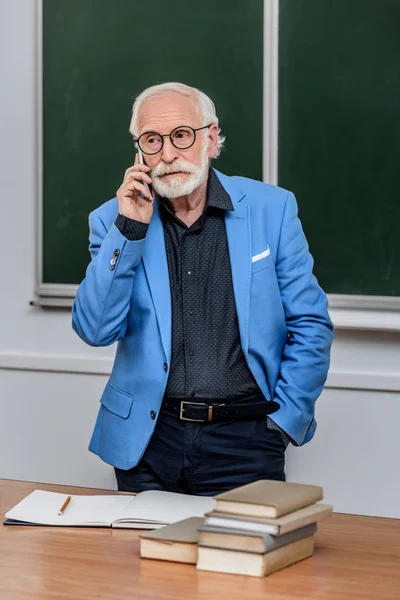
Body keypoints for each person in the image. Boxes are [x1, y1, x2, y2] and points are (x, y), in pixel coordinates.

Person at [72, 82, 334, 496]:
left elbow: (311, 324)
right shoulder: (114, 221)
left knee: (240, 560)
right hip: (148, 442)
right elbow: (95, 329)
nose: (168, 154)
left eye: (181, 135)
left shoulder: (272, 209)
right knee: (146, 561)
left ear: (210, 139)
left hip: (246, 441)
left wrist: (281, 424)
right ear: (139, 152)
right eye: (152, 141)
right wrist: (130, 230)